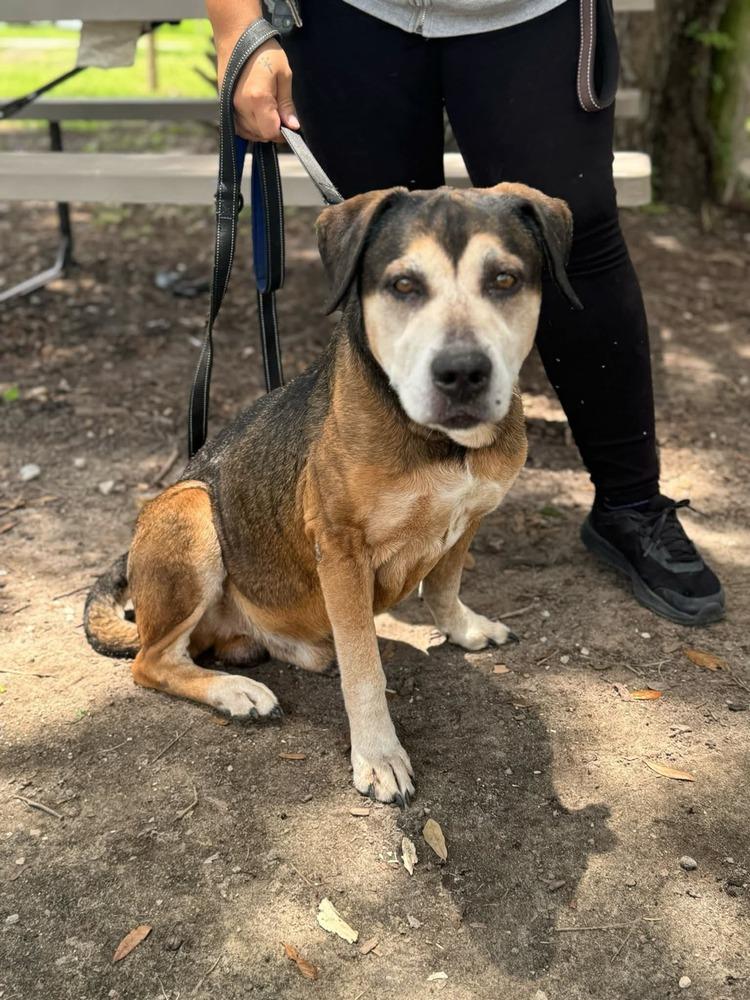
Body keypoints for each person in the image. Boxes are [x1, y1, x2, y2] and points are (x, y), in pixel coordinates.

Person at [205, 0, 725, 626]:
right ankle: (399, 514)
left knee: (577, 241)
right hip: (347, 15)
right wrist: (237, 26)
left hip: (531, 12)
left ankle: (631, 505)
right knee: (386, 256)